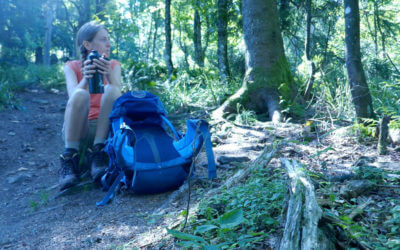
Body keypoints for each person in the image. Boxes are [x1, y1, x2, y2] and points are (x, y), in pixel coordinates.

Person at [60, 21, 121, 190]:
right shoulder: (71, 66)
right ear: (87, 45)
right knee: (80, 93)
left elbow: (119, 99)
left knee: (112, 89)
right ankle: (70, 157)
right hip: (80, 127)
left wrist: (108, 74)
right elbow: (73, 99)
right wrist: (86, 79)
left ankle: (98, 152)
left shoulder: (114, 65)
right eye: (103, 39)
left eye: (108, 39)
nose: (108, 44)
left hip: (105, 129)